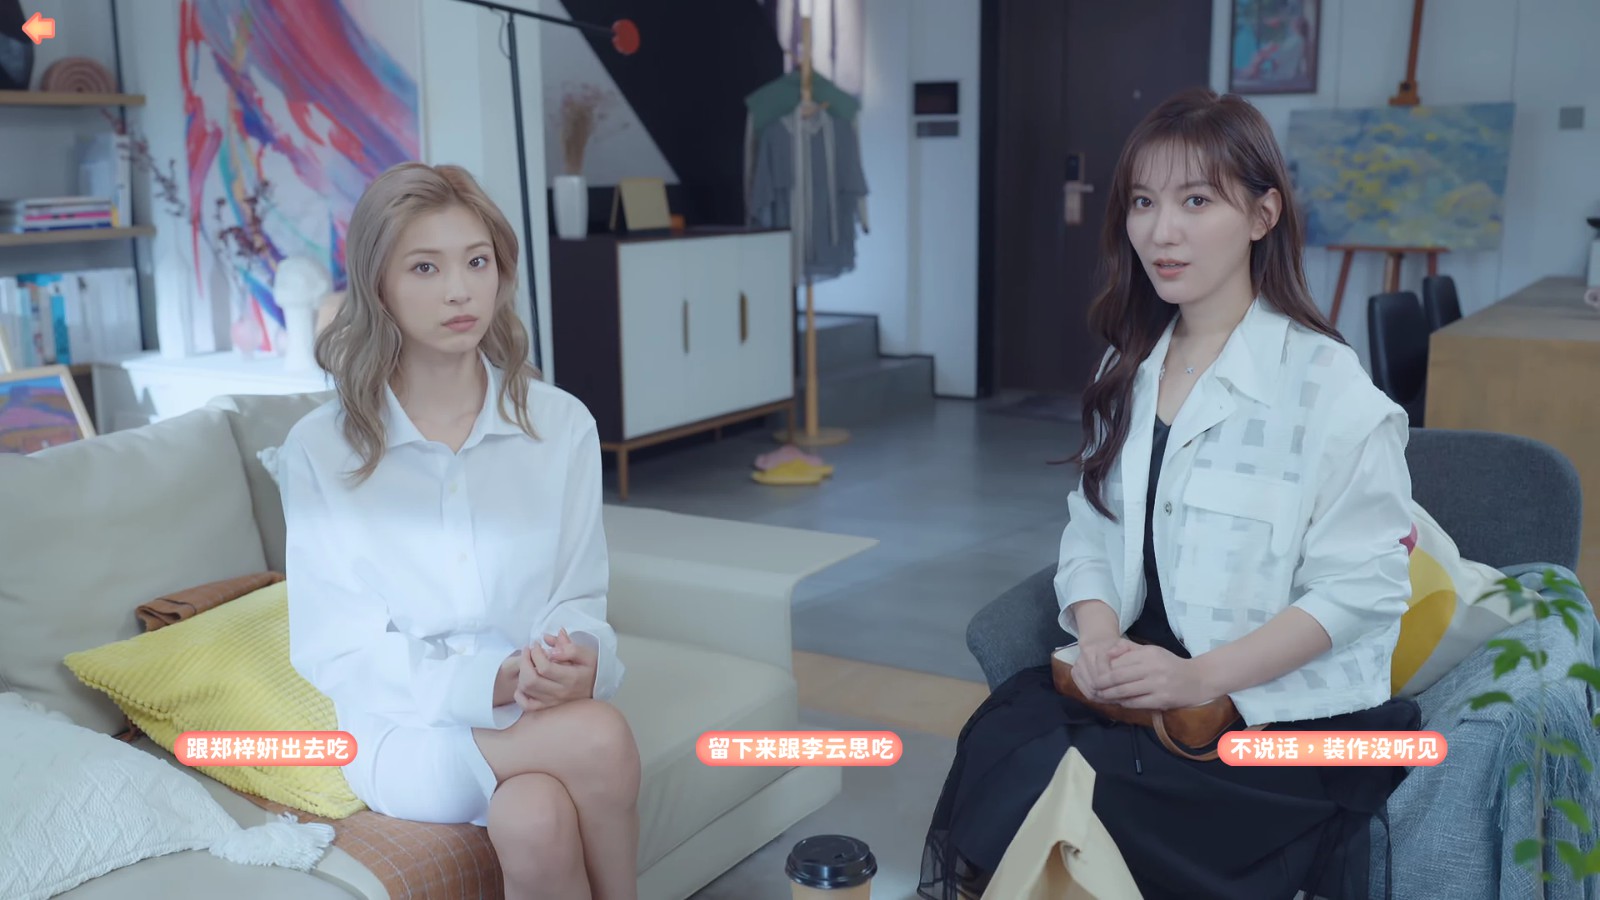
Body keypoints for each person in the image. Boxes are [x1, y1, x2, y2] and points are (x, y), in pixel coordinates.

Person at [919, 88, 1421, 900]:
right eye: (1144, 202)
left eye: (1196, 201)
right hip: (1143, 684)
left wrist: (1201, 678)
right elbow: (1091, 527)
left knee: (1072, 787)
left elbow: (1365, 588)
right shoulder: (1127, 367)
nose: (1161, 231)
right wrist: (1098, 637)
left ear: (1262, 215)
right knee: (1006, 747)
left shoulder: (1329, 389)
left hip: (1274, 713)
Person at [278, 162, 641, 900]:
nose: (459, 290)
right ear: (378, 284)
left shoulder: (561, 426)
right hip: (403, 733)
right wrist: (490, 680)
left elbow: (577, 596)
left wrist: (581, 661)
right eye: (425, 267)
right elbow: (335, 649)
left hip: (536, 712)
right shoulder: (319, 449)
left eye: (477, 262)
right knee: (601, 737)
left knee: (535, 818)